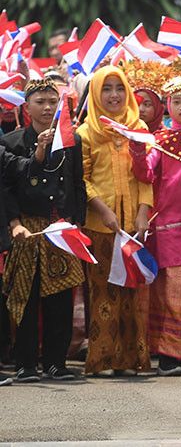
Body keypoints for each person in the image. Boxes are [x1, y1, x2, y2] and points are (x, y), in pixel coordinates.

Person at [2, 79, 86, 383]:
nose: (47, 107)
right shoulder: (11, 143)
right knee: (26, 297)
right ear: (27, 107)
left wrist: (76, 221)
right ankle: (25, 363)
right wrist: (14, 224)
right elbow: (7, 190)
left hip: (60, 227)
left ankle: (56, 362)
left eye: (53, 101)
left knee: (61, 298)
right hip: (27, 227)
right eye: (40, 101)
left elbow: (77, 184)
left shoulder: (72, 140)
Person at [130, 76, 181, 376]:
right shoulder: (159, 141)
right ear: (167, 106)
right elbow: (146, 174)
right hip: (168, 224)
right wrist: (137, 151)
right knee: (172, 289)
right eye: (177, 101)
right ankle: (169, 355)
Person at [77, 66, 153, 376]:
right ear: (95, 93)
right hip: (101, 227)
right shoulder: (86, 132)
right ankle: (102, 361)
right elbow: (82, 180)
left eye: (119, 88)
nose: (113, 95)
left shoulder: (138, 127)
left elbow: (146, 177)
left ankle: (130, 360)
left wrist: (144, 212)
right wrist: (103, 211)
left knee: (132, 297)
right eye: (106, 89)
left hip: (132, 227)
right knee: (104, 294)